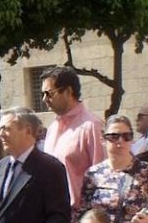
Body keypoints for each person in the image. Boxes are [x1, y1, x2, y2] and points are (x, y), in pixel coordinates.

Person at [0, 109, 74, 223]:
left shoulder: (50, 168)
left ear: (27, 131)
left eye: (6, 129)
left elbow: (59, 217)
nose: (0, 134)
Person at [39, 66, 103, 209]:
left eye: (49, 93)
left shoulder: (92, 126)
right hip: (53, 214)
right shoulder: (52, 128)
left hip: (80, 215)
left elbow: (101, 178)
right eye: (42, 94)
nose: (44, 99)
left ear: (68, 91)